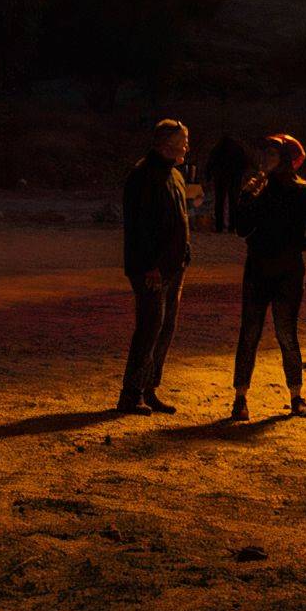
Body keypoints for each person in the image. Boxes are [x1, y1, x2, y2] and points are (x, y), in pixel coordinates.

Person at [231, 133, 306, 422]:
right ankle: (240, 398)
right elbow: (241, 229)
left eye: (272, 155)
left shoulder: (302, 191)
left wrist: (292, 248)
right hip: (258, 268)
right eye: (265, 154)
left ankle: (296, 396)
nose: (265, 160)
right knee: (249, 333)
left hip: (287, 273)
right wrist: (246, 197)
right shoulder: (259, 189)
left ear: (284, 159)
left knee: (287, 333)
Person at [118, 118, 191, 416]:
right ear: (165, 145)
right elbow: (139, 228)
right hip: (151, 269)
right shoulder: (143, 176)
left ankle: (149, 388)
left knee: (164, 328)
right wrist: (149, 266)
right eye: (182, 141)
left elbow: (179, 218)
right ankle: (131, 393)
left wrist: (183, 253)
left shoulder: (174, 175)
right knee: (149, 328)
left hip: (173, 267)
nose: (186, 146)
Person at [205, 133, 248, 234]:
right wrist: (241, 173)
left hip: (220, 177)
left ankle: (219, 226)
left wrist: (208, 176)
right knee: (234, 202)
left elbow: (210, 162)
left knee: (219, 201)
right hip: (235, 177)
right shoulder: (238, 149)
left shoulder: (217, 149)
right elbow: (244, 162)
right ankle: (232, 226)